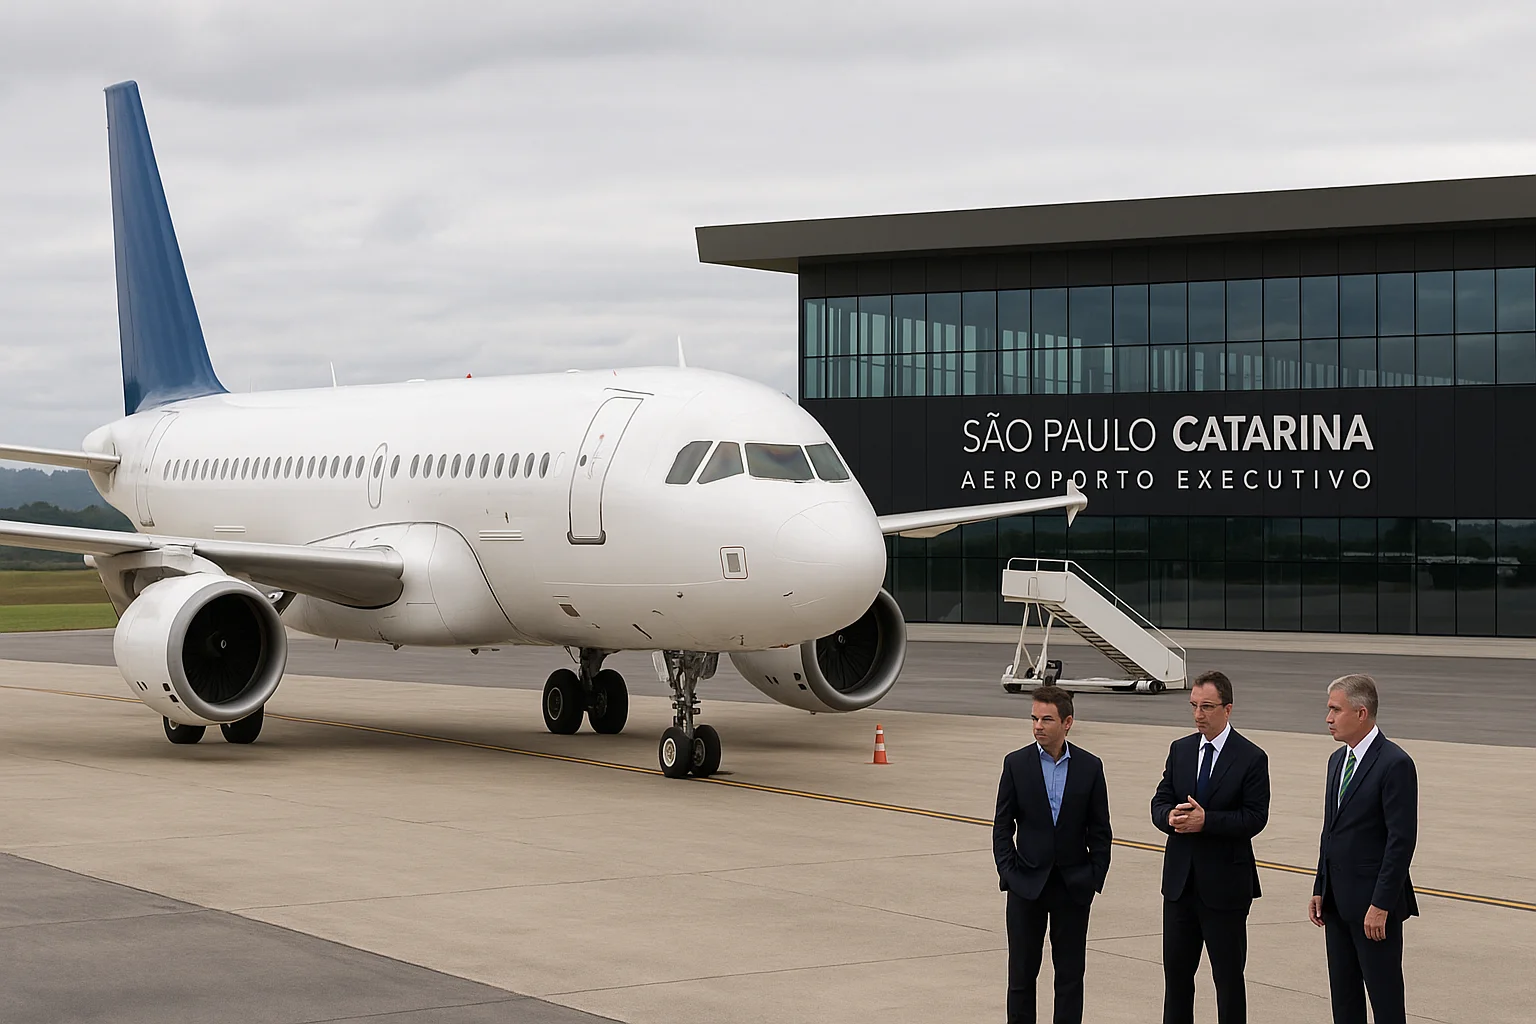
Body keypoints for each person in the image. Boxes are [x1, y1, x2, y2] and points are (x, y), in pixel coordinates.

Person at [1150, 669, 1271, 1024]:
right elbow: (1160, 800)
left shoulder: (1251, 757)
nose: (1198, 715)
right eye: (1193, 706)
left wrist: (1208, 821)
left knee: (1228, 980)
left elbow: (1255, 817)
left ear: (1227, 709)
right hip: (1179, 887)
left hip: (1225, 890)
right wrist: (1168, 817)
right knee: (1176, 979)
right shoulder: (1181, 749)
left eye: (1207, 707)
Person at [993, 684, 1112, 1024]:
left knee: (1071, 978)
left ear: (1067, 722)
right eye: (1034, 719)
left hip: (1072, 888)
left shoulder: (1090, 767)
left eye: (1046, 719)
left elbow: (1100, 831)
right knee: (1020, 977)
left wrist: (1092, 877)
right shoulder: (1016, 764)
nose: (1038, 727)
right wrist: (1010, 874)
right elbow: (1003, 826)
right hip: (1026, 886)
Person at [1309, 674, 1418, 1024]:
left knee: (1385, 1002)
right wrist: (1319, 886)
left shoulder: (1394, 763)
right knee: (1344, 1000)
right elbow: (1331, 831)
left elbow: (1400, 841)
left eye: (1334, 710)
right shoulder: (1336, 761)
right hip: (1337, 904)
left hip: (1374, 910)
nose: (1328, 718)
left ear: (1361, 713)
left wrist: (1381, 904)